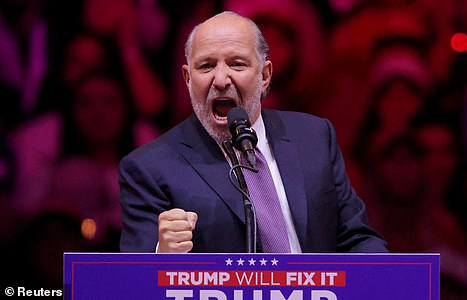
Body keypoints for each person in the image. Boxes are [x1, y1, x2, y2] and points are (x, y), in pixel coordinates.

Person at [118, 11, 388, 253]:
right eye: (206, 66)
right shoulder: (149, 168)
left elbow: (356, 238)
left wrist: (394, 282)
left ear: (265, 75)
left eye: (237, 64)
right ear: (188, 79)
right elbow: (131, 282)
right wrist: (161, 253)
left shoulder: (314, 137)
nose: (221, 80)